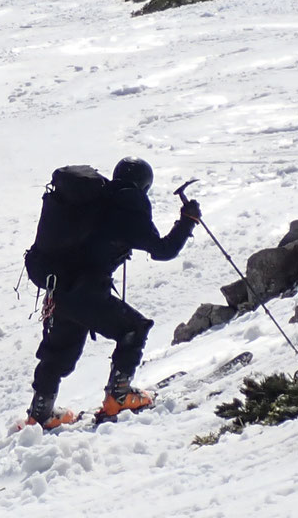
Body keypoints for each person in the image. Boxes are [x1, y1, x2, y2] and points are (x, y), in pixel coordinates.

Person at [28, 159, 199, 428]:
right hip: (88, 293)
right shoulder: (128, 208)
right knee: (134, 329)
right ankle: (119, 396)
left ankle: (40, 413)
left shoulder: (94, 202)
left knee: (59, 350)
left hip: (59, 288)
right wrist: (187, 221)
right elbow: (163, 250)